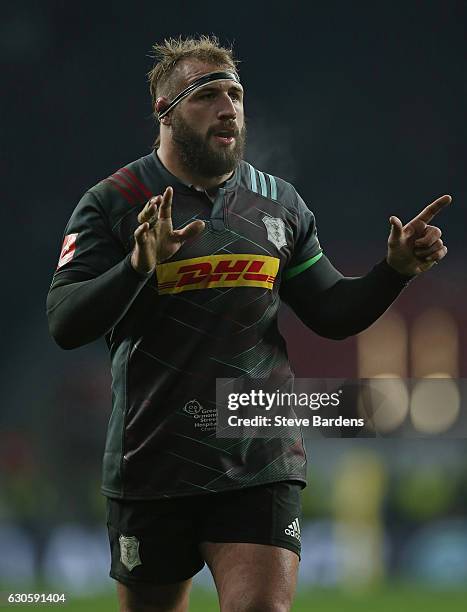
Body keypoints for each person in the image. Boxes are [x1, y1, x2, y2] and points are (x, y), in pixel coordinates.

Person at [47, 35, 450, 612]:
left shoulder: (278, 203)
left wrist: (394, 271)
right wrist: (138, 265)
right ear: (164, 111)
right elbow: (64, 322)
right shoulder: (115, 201)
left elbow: (331, 312)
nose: (228, 107)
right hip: (152, 458)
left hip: (259, 452)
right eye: (206, 94)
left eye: (235, 93)